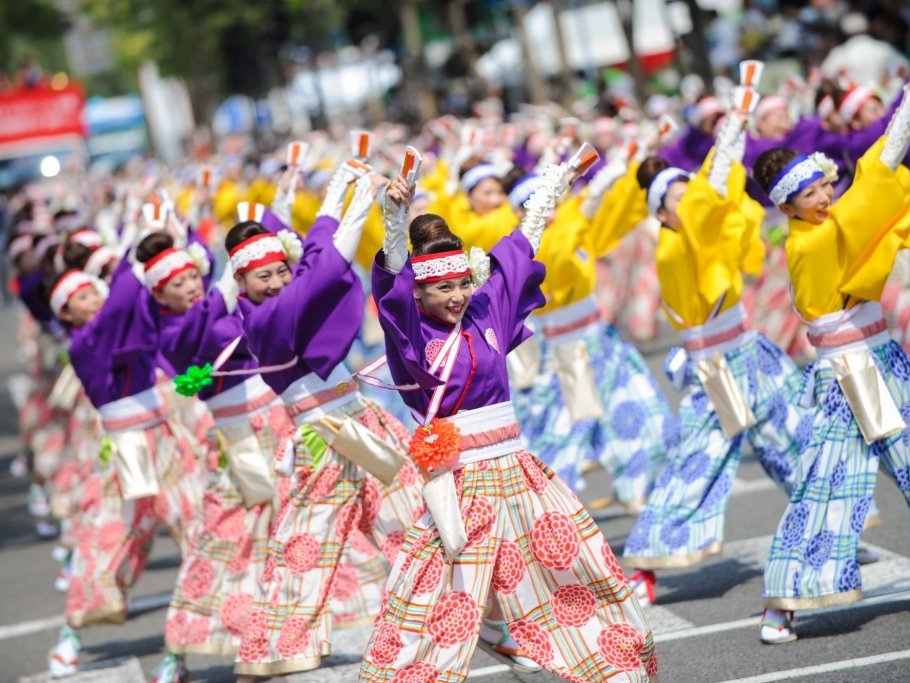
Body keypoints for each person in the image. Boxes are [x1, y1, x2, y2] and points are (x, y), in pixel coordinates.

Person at [358, 160, 655, 681]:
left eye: (461, 284)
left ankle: (613, 663)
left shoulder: (484, 309)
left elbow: (518, 250)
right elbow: (393, 290)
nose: (454, 297)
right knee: (433, 601)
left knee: (582, 565)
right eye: (440, 289)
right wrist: (393, 215)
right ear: (419, 294)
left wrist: (551, 190)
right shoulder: (409, 335)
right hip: (460, 482)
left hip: (517, 471)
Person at [234, 170, 422, 678]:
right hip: (322, 436)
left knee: (414, 517)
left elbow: (318, 265)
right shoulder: (258, 321)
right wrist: (353, 194)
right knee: (306, 546)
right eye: (261, 276)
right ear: (240, 283)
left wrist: (350, 195)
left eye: (279, 272)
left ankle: (445, 615)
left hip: (361, 418)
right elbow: (320, 270)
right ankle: (275, 646)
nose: (274, 283)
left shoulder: (286, 301)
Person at [623, 111, 806, 605]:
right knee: (693, 466)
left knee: (798, 440)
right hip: (715, 370)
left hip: (750, 350)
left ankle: (831, 536)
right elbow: (712, 209)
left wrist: (736, 129)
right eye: (680, 200)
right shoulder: (671, 247)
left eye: (690, 195)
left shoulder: (700, 234)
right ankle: (645, 565)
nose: (692, 204)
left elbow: (728, 215)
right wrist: (728, 135)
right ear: (662, 214)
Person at [754, 84, 910, 644]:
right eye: (811, 191)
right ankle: (784, 602)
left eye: (825, 184)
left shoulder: (825, 227)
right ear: (784, 206)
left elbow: (867, 188)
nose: (825, 195)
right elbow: (872, 198)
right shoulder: (809, 245)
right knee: (828, 488)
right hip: (846, 376)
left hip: (883, 359)